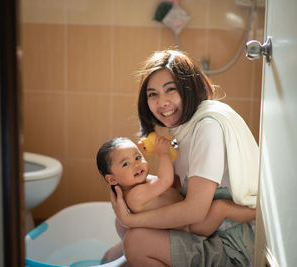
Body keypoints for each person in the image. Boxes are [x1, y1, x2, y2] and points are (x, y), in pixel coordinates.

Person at [110, 49, 259, 267]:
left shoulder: (207, 128)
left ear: (189, 89)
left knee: (135, 241)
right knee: (123, 229)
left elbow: (195, 210)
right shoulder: (183, 132)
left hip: (234, 247)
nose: (162, 103)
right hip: (208, 230)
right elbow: (176, 196)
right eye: (153, 94)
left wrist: (131, 219)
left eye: (171, 90)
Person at [96, 136, 255, 234]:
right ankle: (259, 215)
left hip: (191, 214)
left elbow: (166, 186)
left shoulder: (141, 182)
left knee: (218, 204)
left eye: (138, 157)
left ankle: (251, 213)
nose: (136, 165)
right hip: (192, 226)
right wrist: (163, 154)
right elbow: (165, 181)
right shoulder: (135, 196)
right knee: (220, 207)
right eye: (125, 164)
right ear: (112, 180)